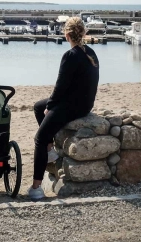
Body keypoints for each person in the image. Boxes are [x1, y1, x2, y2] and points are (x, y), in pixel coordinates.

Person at [28, 17, 99, 200]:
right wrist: (49, 106)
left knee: (40, 138)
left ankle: (36, 188)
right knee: (37, 107)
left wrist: (51, 107)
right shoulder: (91, 52)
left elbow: (60, 87)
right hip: (84, 103)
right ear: (83, 33)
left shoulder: (71, 55)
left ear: (67, 35)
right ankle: (51, 150)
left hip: (72, 105)